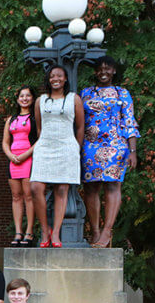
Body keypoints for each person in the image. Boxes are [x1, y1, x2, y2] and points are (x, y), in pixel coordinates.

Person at [82, 56, 140, 248]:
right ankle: (95, 230)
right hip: (90, 146)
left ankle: (107, 231)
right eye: (99, 69)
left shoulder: (121, 93)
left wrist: (133, 150)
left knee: (112, 185)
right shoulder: (86, 93)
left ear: (114, 71)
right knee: (91, 187)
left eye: (107, 68)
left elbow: (129, 121)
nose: (103, 72)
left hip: (116, 145)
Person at [31, 64, 85, 248]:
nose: (56, 79)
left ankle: (55, 233)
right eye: (52, 76)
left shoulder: (74, 99)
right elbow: (39, 127)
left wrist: (75, 148)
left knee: (62, 190)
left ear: (65, 79)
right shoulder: (41, 100)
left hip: (67, 147)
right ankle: (45, 229)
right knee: (36, 187)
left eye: (59, 76)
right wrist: (44, 143)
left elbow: (80, 127)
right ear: (48, 79)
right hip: (45, 146)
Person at [1, 86, 38, 247]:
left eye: (28, 95)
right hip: (13, 160)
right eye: (21, 96)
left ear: (32, 98)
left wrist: (25, 155)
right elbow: (5, 141)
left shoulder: (35, 118)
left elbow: (39, 140)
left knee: (29, 195)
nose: (24, 98)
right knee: (16, 197)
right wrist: (10, 155)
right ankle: (18, 231)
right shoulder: (11, 119)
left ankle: (29, 231)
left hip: (28, 158)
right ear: (17, 99)